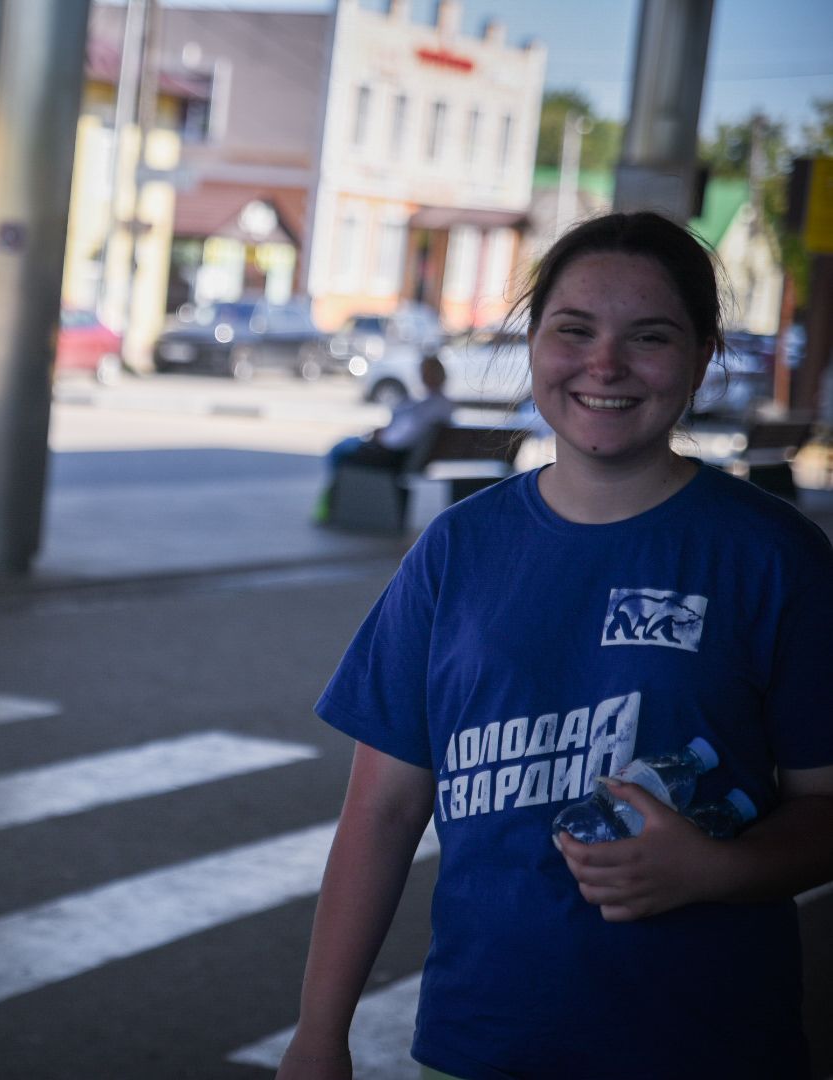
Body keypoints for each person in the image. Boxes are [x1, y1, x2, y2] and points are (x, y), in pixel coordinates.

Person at [278, 212, 833, 1080]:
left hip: (710, 1046)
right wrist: (318, 1036)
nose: (604, 365)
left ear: (701, 356)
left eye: (648, 337)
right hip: (480, 1043)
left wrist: (717, 871)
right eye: (573, 330)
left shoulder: (774, 559)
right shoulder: (456, 551)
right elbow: (382, 814)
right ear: (533, 342)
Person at [312, 353, 455, 523]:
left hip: (394, 454)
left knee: (341, 451)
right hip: (397, 450)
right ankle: (333, 502)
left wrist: (381, 438)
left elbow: (404, 437)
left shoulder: (434, 406)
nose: (423, 376)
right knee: (345, 446)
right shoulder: (433, 403)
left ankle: (332, 503)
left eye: (427, 372)